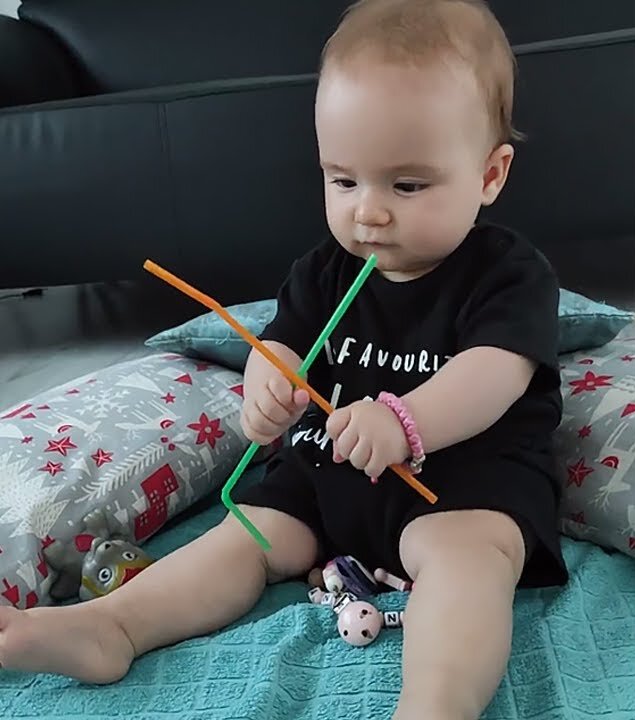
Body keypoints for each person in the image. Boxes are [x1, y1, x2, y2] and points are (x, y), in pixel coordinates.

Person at [0, 1, 565, 717]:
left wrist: (407, 420)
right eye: (343, 179)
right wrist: (268, 381)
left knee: (468, 562)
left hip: (458, 483)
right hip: (327, 476)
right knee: (243, 538)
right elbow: (283, 343)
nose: (369, 212)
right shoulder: (324, 270)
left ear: (489, 175)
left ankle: (437, 702)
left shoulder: (508, 273)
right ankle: (115, 625)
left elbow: (495, 372)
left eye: (408, 184)